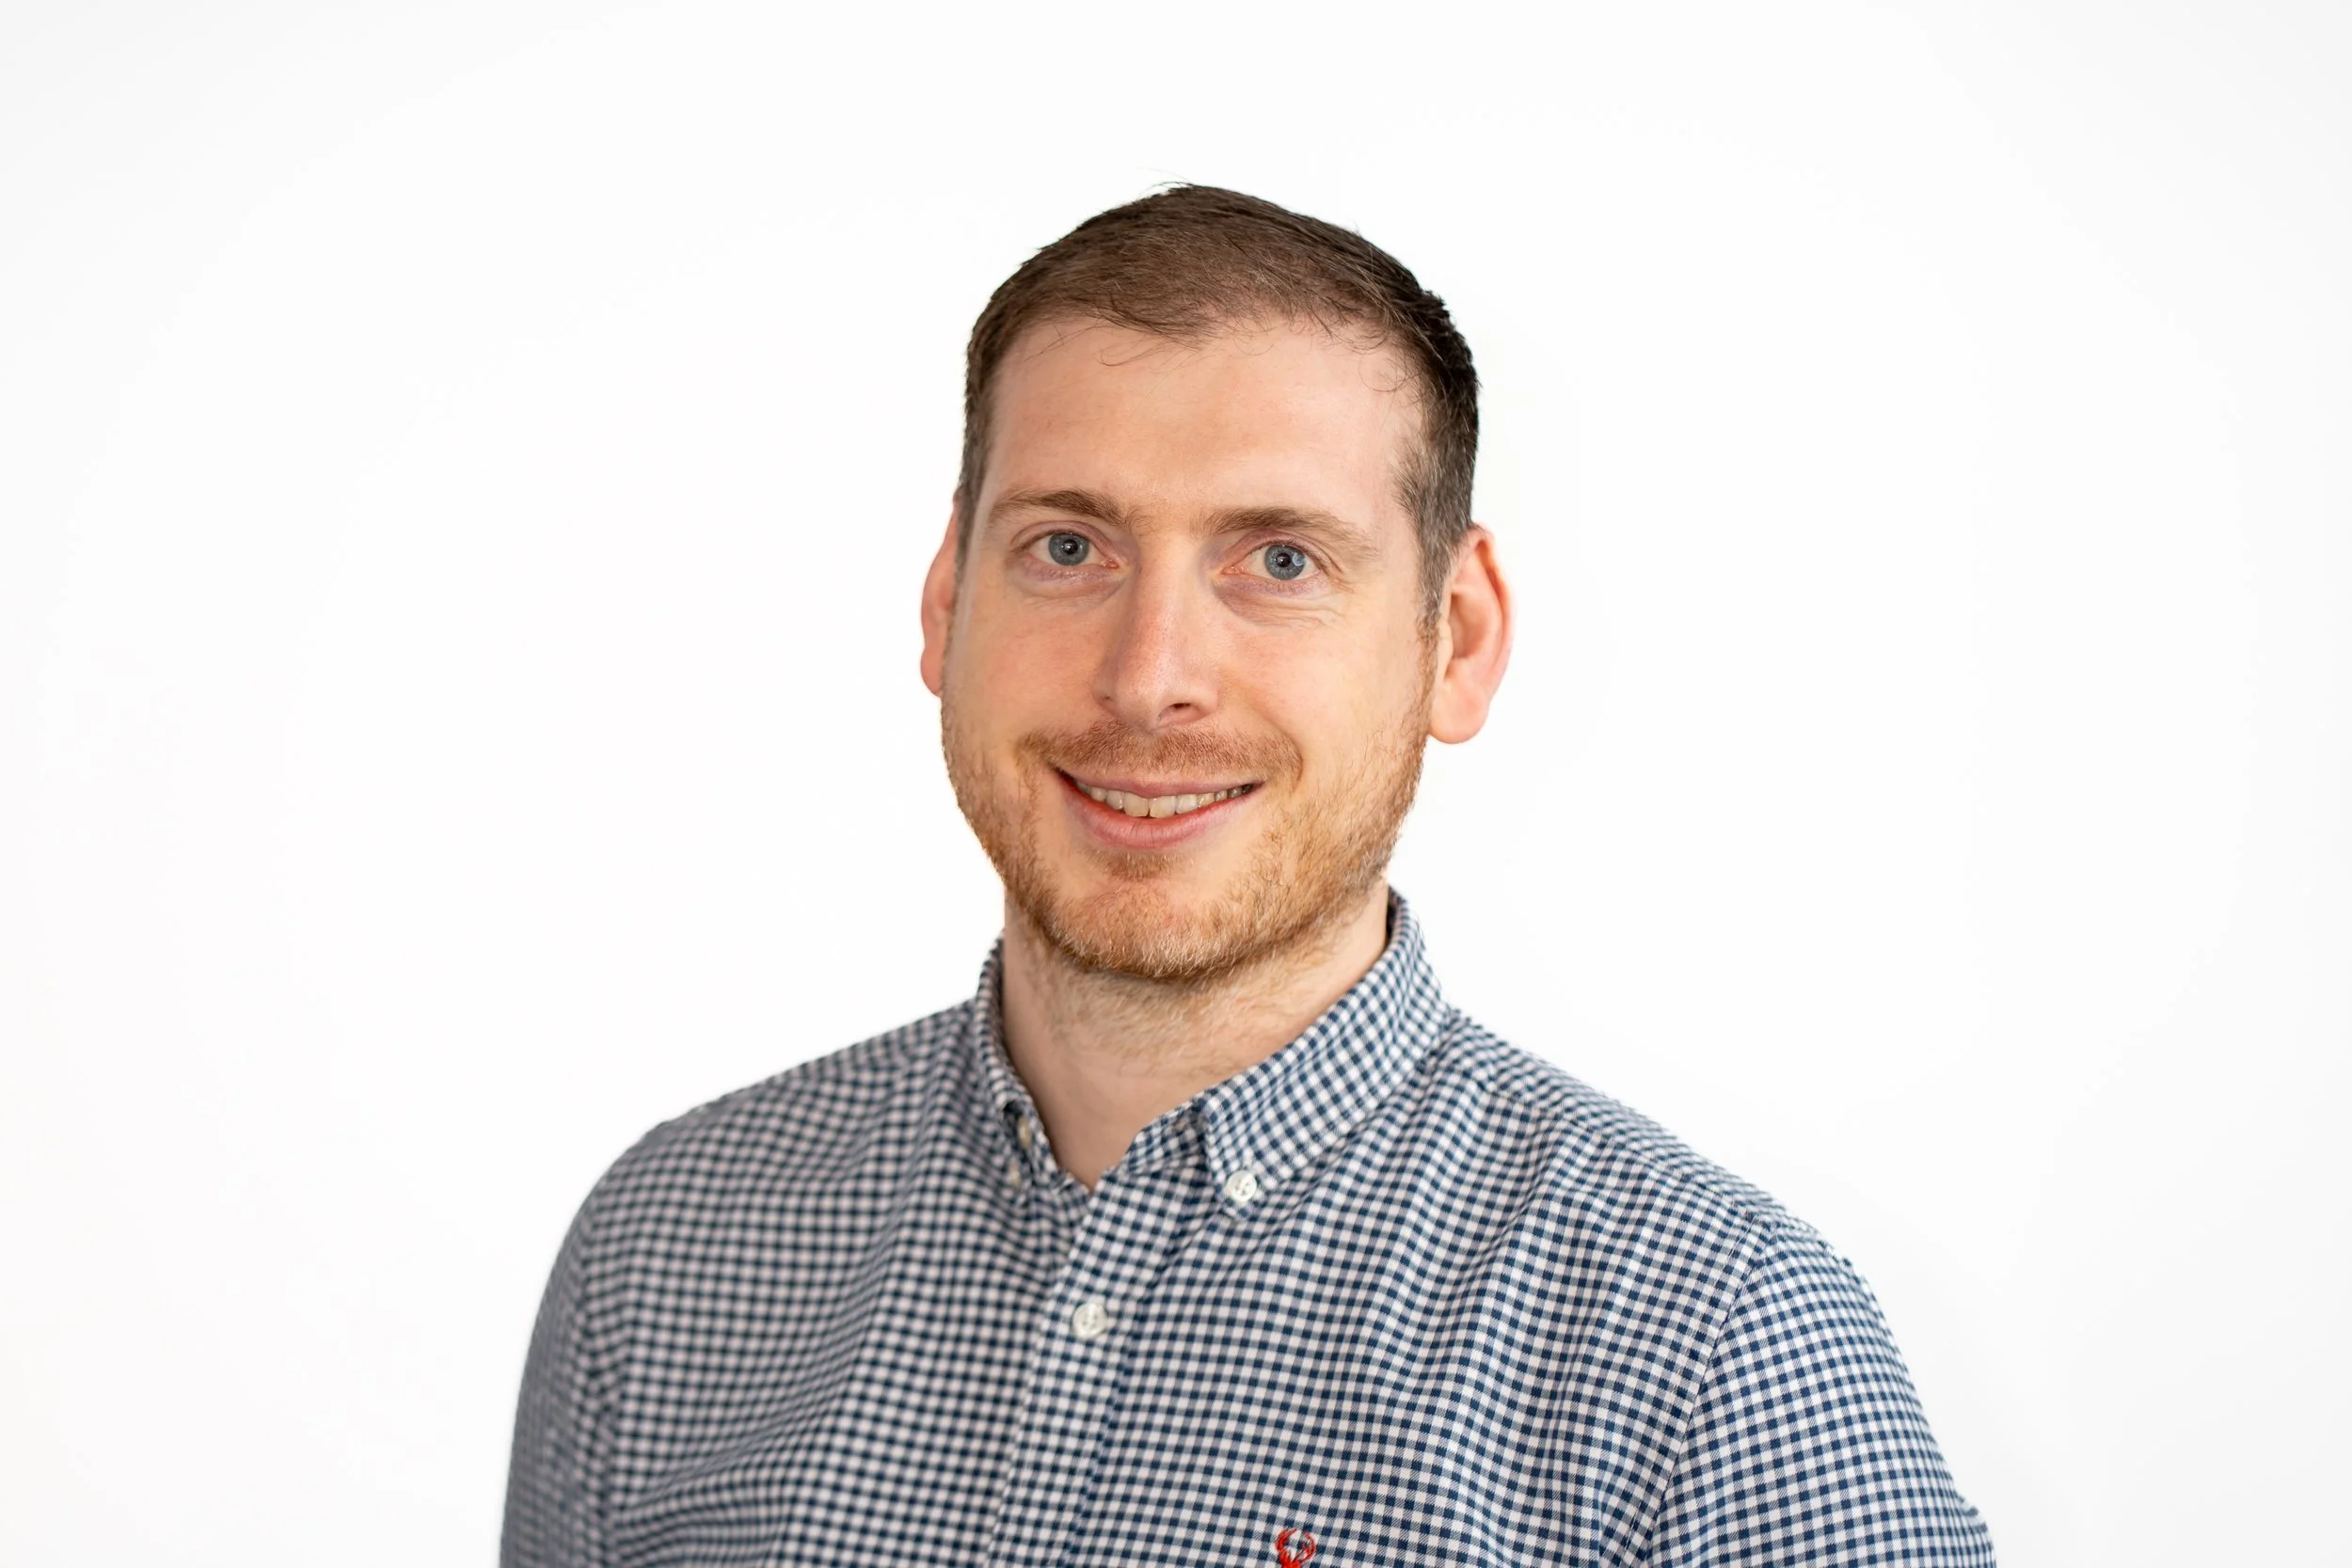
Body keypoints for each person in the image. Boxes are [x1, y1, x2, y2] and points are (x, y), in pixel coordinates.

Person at [501, 185, 1994, 1567]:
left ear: (1455, 638)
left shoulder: (1718, 1349)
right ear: (949, 599)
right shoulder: (669, 1247)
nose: (1151, 679)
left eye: (1277, 560)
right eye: (1069, 544)